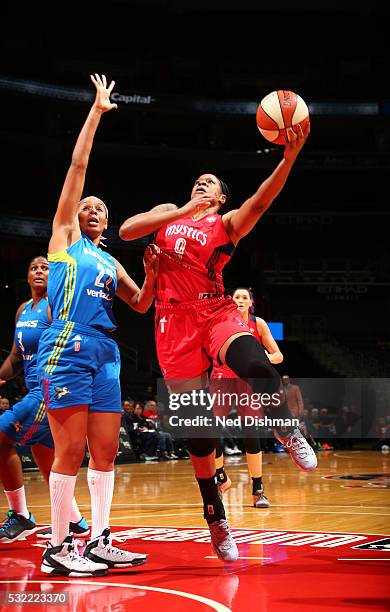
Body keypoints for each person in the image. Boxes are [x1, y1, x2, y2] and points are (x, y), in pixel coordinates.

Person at [119, 118, 316, 562]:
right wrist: (183, 209)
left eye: (210, 184)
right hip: (172, 323)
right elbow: (128, 230)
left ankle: (286, 429)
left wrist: (289, 158)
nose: (201, 185)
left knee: (257, 365)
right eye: (198, 181)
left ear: (222, 198)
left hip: (214, 311)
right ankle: (216, 516)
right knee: (199, 435)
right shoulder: (171, 213)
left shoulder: (224, 225)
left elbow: (262, 202)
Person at [36, 74, 158, 577]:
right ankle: (59, 547)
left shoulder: (110, 263)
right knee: (70, 448)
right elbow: (78, 165)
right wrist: (97, 112)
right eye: (87, 205)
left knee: (105, 449)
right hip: (66, 343)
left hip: (106, 353)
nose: (91, 209)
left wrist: (154, 268)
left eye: (99, 208)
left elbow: (142, 304)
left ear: (106, 223)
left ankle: (101, 539)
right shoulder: (65, 240)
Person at [0, 257, 88, 543]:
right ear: (27, 276)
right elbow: (16, 357)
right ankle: (75, 521)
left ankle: (21, 516)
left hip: (49, 391)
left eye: (45, 267)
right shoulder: (24, 310)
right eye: (34, 267)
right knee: (50, 464)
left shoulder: (56, 306)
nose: (39, 271)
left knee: (2, 440)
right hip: (35, 391)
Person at [211, 287, 283, 508]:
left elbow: (279, 356)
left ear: (251, 302)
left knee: (251, 433)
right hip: (222, 377)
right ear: (230, 301)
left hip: (247, 380)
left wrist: (260, 358)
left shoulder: (258, 324)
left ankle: (257, 489)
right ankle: (220, 477)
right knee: (210, 428)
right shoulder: (221, 321)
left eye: (244, 298)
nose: (240, 300)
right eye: (236, 297)